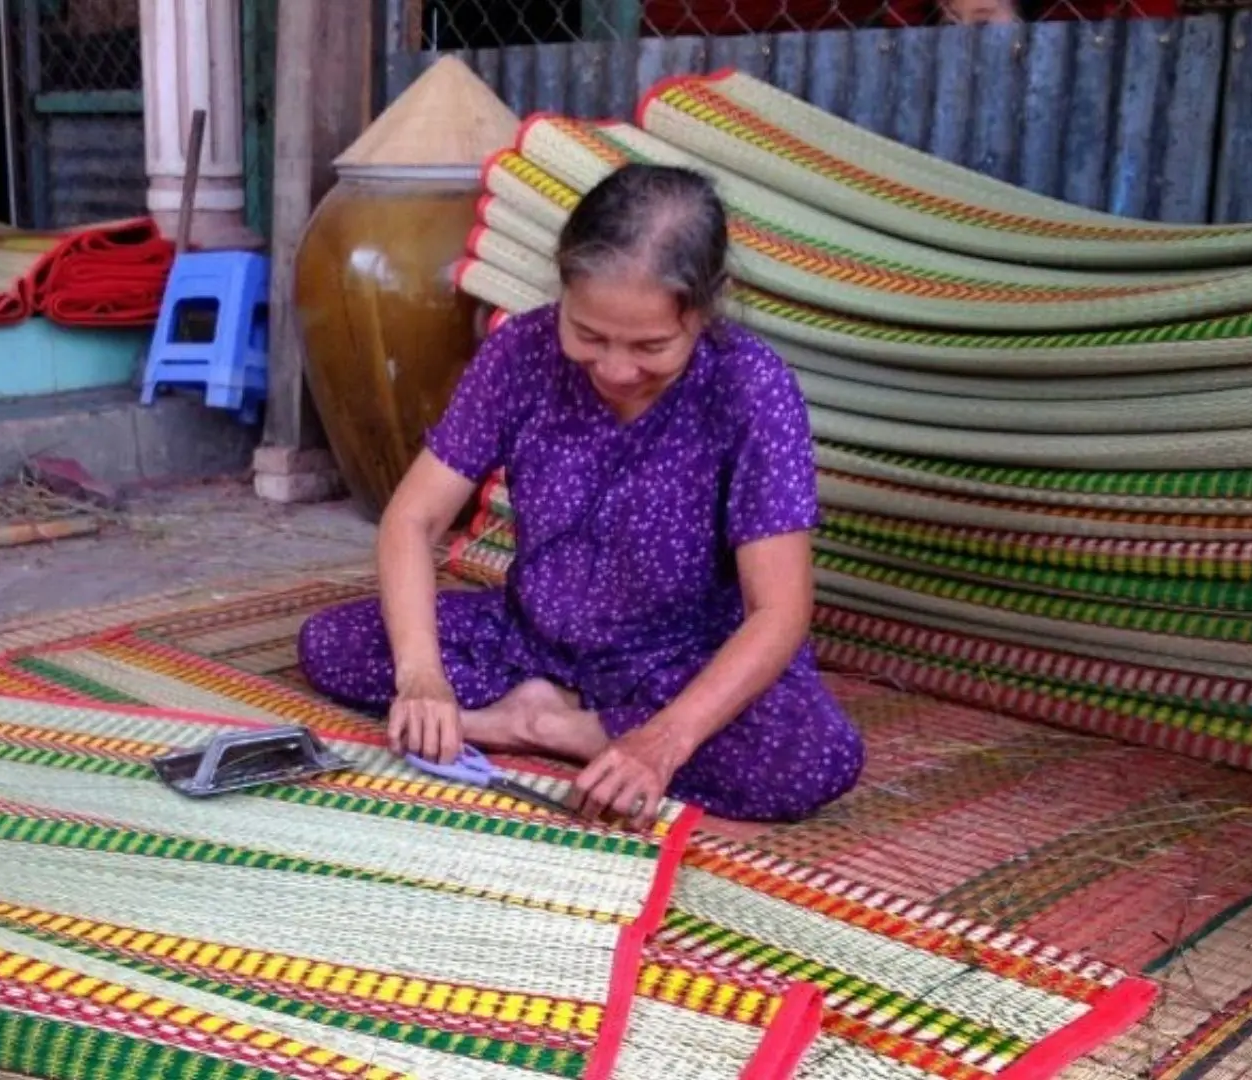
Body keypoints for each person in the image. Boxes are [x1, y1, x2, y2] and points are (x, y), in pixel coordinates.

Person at [297, 163, 864, 828]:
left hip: (677, 663)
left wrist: (665, 740)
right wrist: (422, 678)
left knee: (811, 755)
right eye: (589, 335)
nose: (616, 370)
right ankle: (536, 713)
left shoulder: (751, 387)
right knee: (337, 644)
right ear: (563, 286)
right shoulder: (521, 353)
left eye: (651, 346)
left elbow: (778, 612)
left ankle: (561, 729)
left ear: (705, 309)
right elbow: (414, 520)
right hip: (530, 641)